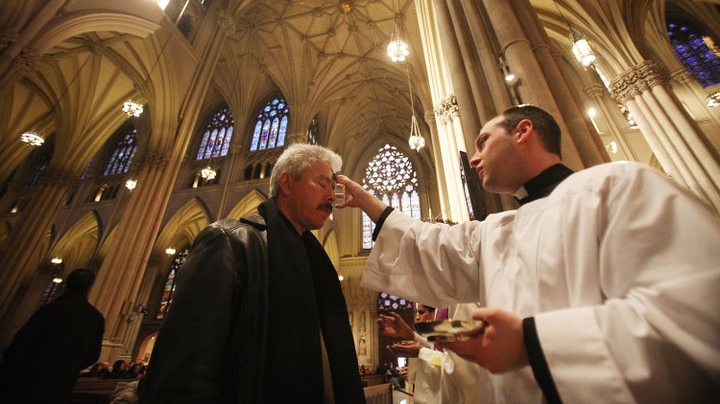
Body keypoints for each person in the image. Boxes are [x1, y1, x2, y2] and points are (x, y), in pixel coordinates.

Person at [337, 105, 720, 403]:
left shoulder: (617, 186)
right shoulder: (500, 229)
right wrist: (368, 203)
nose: (473, 158)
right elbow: (428, 249)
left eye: (483, 141)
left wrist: (534, 342)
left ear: (523, 131)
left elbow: (701, 312)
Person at [139, 143, 365, 403]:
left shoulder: (314, 260)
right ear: (287, 184)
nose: (332, 196)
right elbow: (186, 365)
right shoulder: (228, 241)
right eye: (323, 184)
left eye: (333, 187)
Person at [0, 268, 105, 404]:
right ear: (90, 289)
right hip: (62, 385)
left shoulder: (50, 310)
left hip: (31, 380)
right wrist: (69, 367)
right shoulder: (96, 318)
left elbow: (21, 344)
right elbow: (93, 355)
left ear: (65, 287)